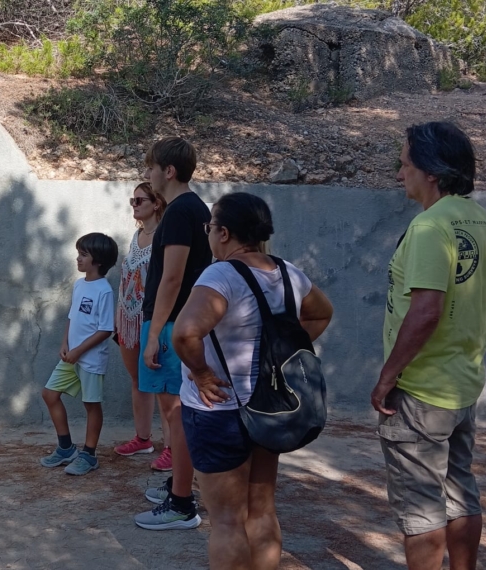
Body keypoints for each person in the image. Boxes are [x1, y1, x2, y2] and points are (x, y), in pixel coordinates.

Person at [370, 122, 486, 570]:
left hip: (421, 391)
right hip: (462, 384)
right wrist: (460, 343)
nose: (398, 175)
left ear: (430, 170)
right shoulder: (481, 220)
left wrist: (389, 375)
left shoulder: (430, 227)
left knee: (421, 508)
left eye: (405, 164)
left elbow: (426, 310)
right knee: (460, 492)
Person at [172, 192, 334, 569]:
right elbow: (321, 314)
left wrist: (201, 374)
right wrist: (282, 355)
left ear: (224, 233)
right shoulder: (288, 273)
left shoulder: (220, 274)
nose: (208, 234)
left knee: (226, 520)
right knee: (261, 512)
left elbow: (184, 334)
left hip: (220, 410)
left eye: (209, 227)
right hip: (269, 407)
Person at [132, 137, 213, 531]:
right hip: (177, 321)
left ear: (169, 171)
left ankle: (183, 502)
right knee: (176, 413)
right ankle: (179, 484)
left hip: (171, 323)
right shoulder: (191, 209)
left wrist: (155, 333)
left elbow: (173, 276)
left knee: (176, 414)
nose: (146, 174)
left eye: (151, 167)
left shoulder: (181, 211)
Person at [39, 233, 119, 476]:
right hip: (71, 357)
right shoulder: (79, 284)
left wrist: (79, 351)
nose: (78, 258)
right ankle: (66, 448)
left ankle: (89, 455)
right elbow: (72, 317)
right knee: (50, 394)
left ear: (99, 261)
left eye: (84, 255)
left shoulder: (104, 290)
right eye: (79, 253)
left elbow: (106, 329)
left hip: (90, 360)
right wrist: (65, 344)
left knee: (91, 404)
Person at [113, 183, 173, 470]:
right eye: (132, 200)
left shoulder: (165, 236)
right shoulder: (136, 236)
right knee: (138, 381)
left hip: (152, 319)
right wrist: (118, 315)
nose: (134, 205)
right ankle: (143, 438)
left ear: (156, 203)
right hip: (127, 318)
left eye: (139, 200)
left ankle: (172, 448)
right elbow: (127, 280)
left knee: (161, 385)